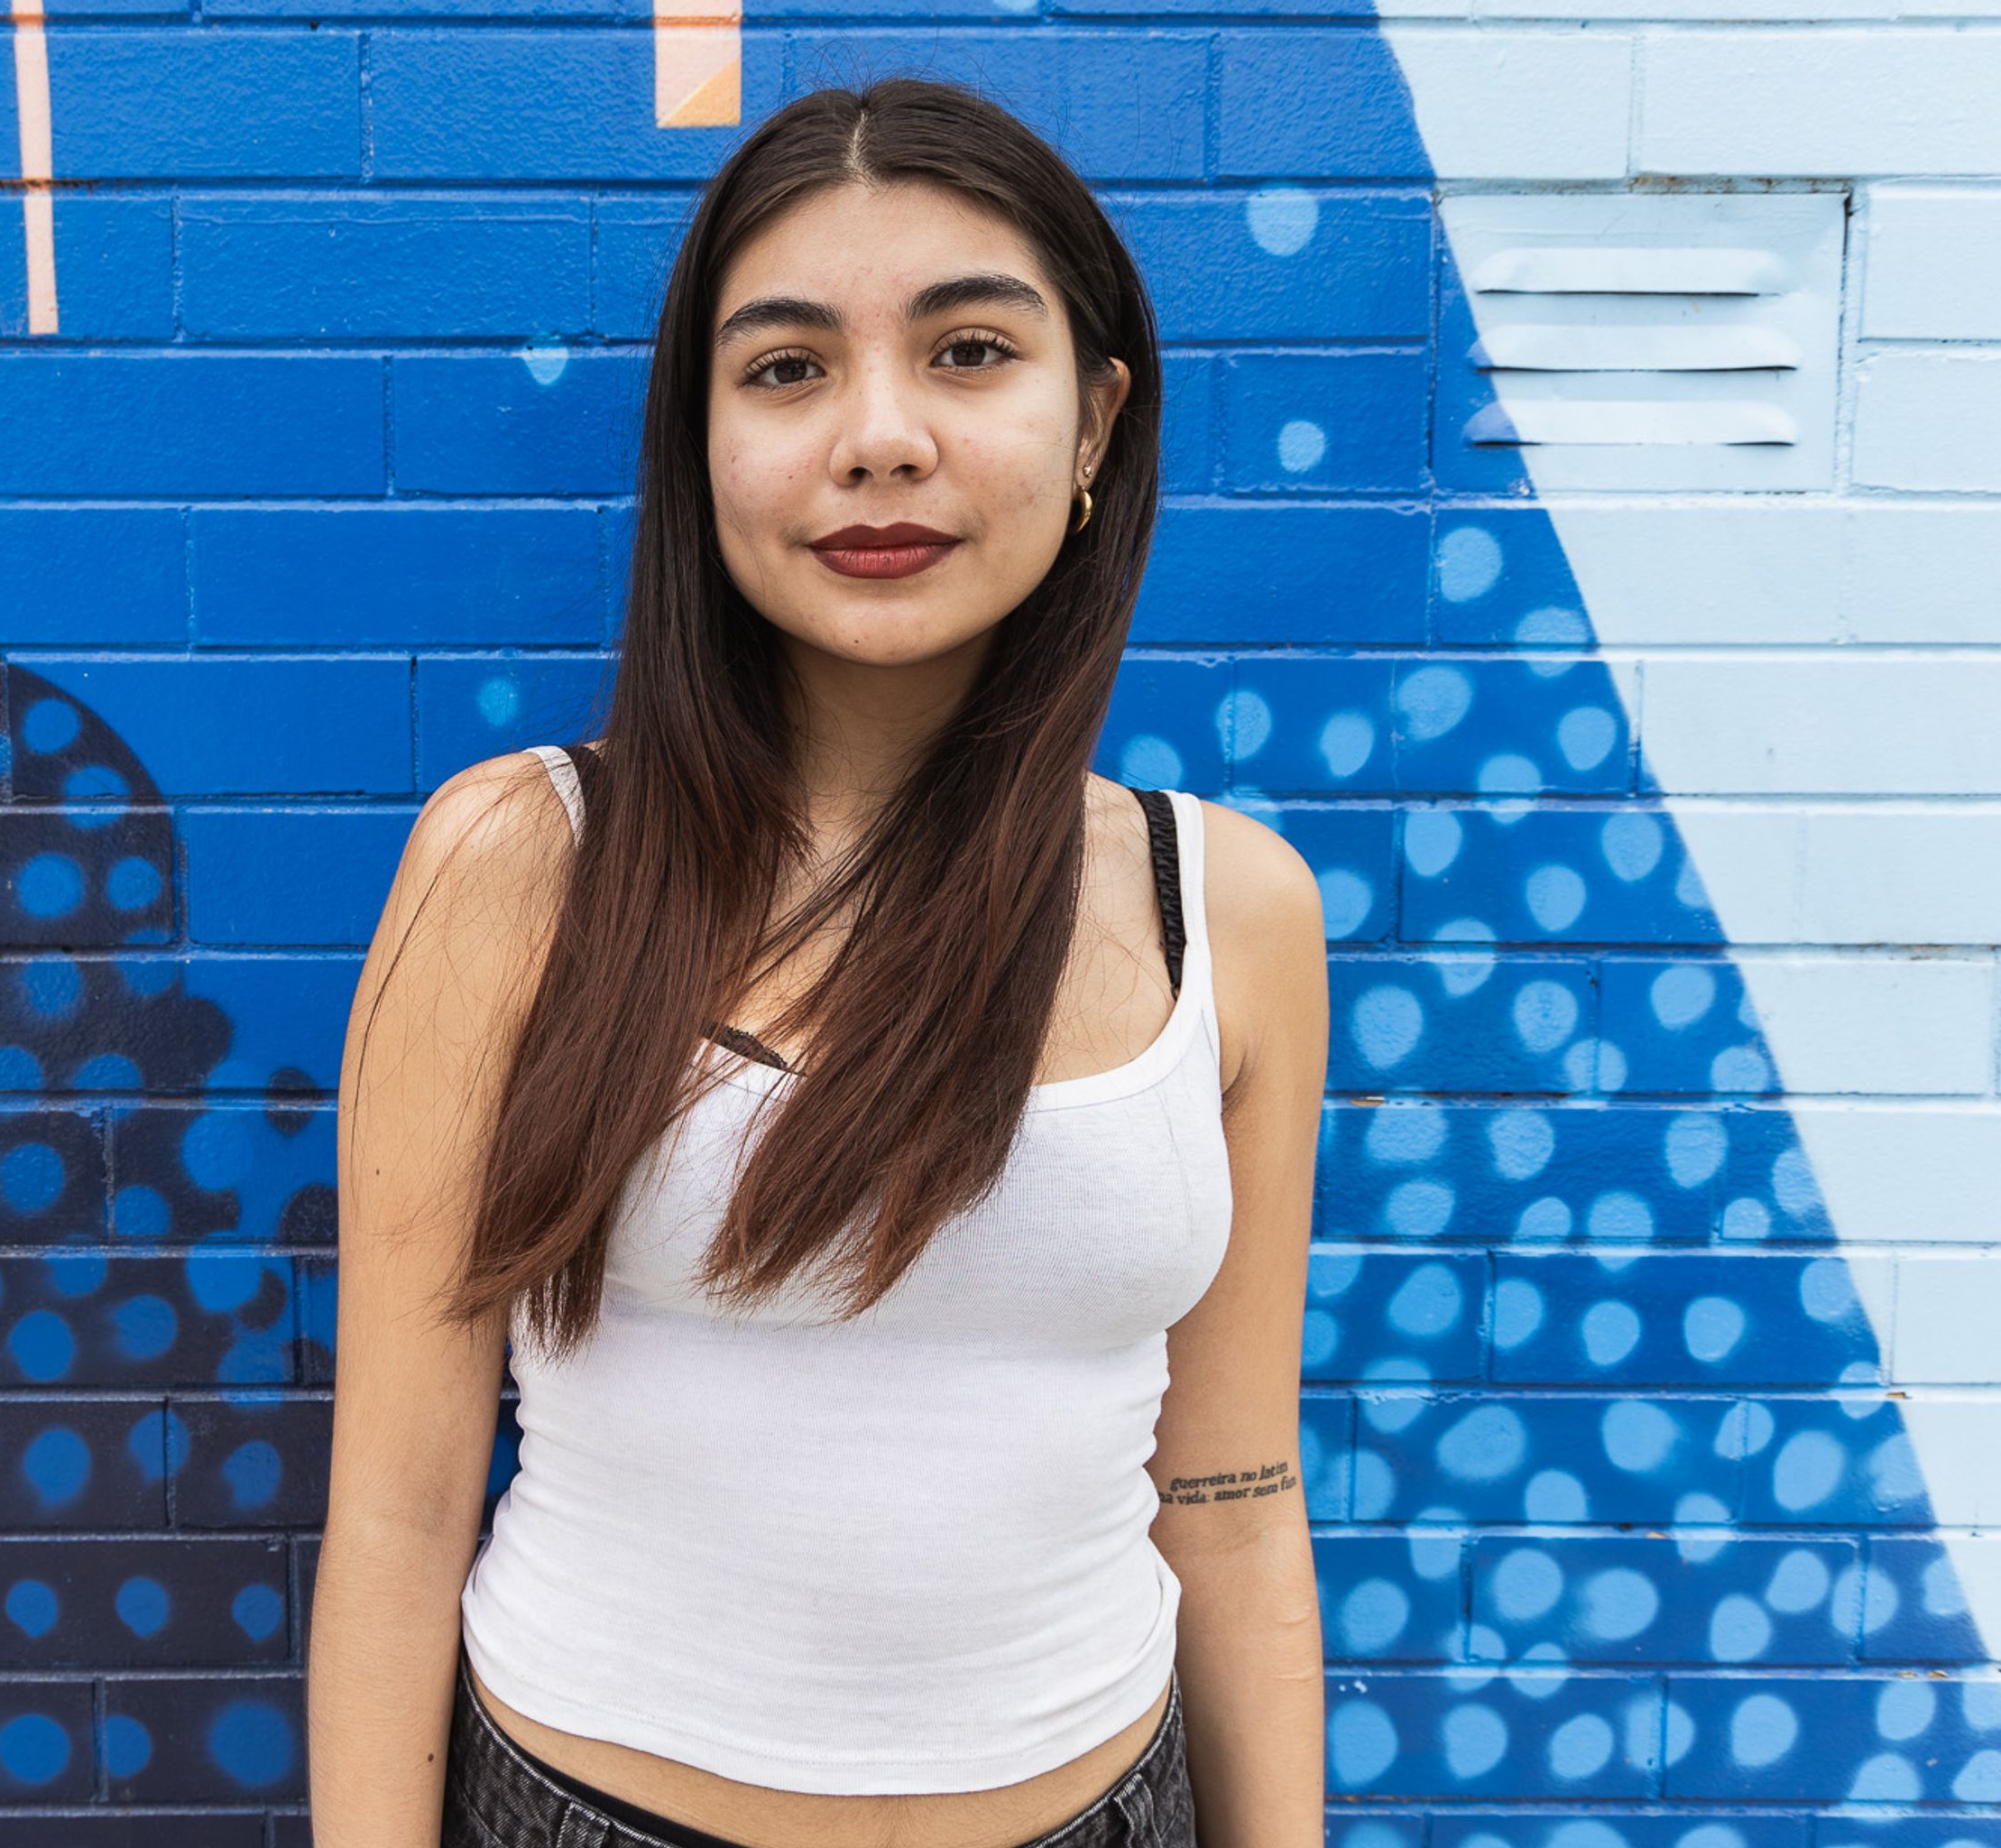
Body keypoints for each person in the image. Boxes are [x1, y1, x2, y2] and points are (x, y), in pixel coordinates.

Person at [308, 76, 1329, 1848]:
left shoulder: (1227, 905)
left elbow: (1234, 1500)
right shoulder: (521, 863)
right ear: (698, 441)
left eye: (968, 354)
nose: (879, 437)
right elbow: (397, 1514)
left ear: (1098, 423)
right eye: (786, 368)